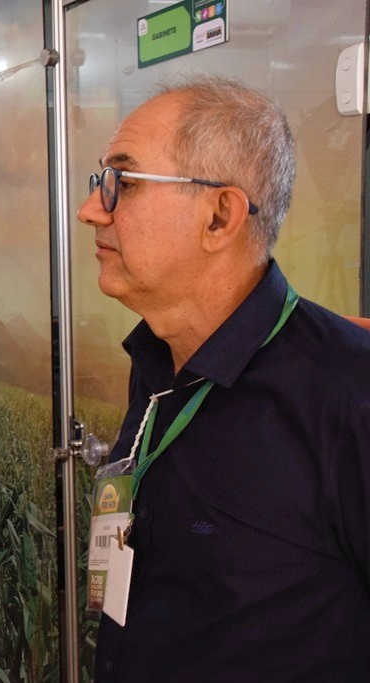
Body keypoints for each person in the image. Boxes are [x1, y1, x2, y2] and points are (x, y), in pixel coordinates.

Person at [77, 74, 370, 680]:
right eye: (101, 182)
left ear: (219, 216)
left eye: (124, 183)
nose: (90, 210)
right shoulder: (158, 363)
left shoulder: (349, 396)